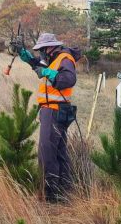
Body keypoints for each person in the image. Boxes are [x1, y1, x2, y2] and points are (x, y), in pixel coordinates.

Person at [18, 33, 81, 202]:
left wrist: (47, 72)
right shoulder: (54, 59)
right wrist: (27, 57)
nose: (42, 53)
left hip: (54, 110)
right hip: (53, 110)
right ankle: (65, 191)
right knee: (59, 152)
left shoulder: (65, 58)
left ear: (51, 47)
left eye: (43, 49)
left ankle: (51, 196)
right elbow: (42, 67)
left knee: (47, 153)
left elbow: (68, 79)